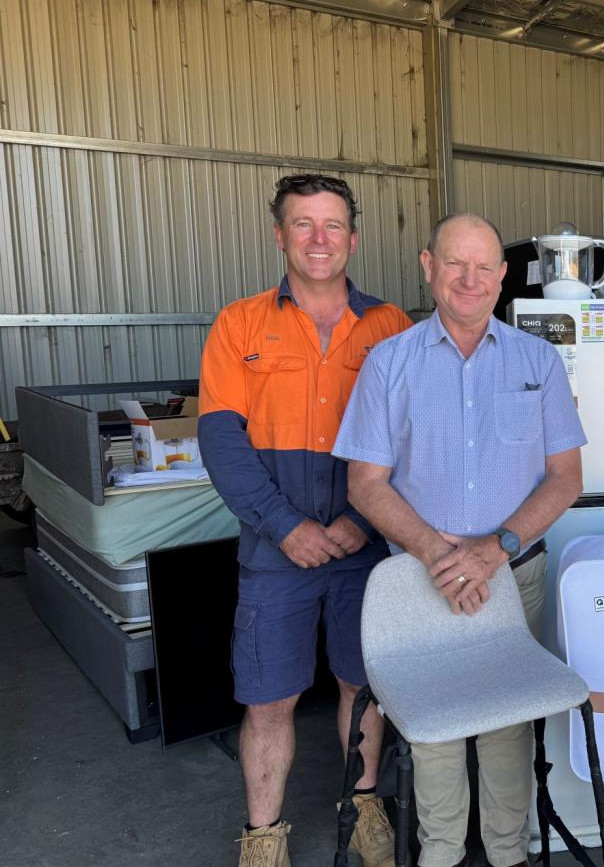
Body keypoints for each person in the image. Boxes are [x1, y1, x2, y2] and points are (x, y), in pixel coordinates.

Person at [333, 212, 586, 867]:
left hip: (514, 573)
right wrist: (441, 555)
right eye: (455, 263)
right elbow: (365, 483)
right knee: (434, 728)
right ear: (428, 266)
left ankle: (507, 853)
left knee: (507, 719)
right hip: (421, 582)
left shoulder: (539, 360)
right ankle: (441, 854)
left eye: (484, 267)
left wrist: (492, 549)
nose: (469, 280)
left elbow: (565, 479)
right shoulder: (389, 363)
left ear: (503, 277)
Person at [198, 174, 412, 867]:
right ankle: (264, 837)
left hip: (364, 545)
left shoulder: (391, 327)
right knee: (270, 697)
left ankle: (366, 807)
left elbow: (412, 437)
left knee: (362, 682)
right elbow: (222, 441)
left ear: (353, 238)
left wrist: (359, 518)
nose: (319, 240)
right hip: (274, 549)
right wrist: (284, 525)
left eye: (332, 226)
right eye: (302, 224)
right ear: (279, 234)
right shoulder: (238, 325)